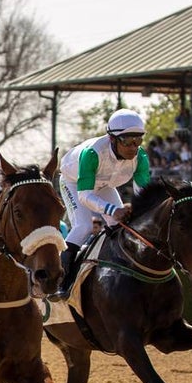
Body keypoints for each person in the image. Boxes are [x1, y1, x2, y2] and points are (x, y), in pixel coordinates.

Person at [52, 108, 151, 299]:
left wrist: (136, 210)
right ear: (112, 139)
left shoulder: (141, 158)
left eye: (137, 140)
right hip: (75, 183)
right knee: (84, 226)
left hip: (104, 184)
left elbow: (143, 197)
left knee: (120, 226)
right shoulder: (92, 153)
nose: (133, 147)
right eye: (127, 140)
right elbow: (85, 196)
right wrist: (114, 209)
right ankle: (60, 281)